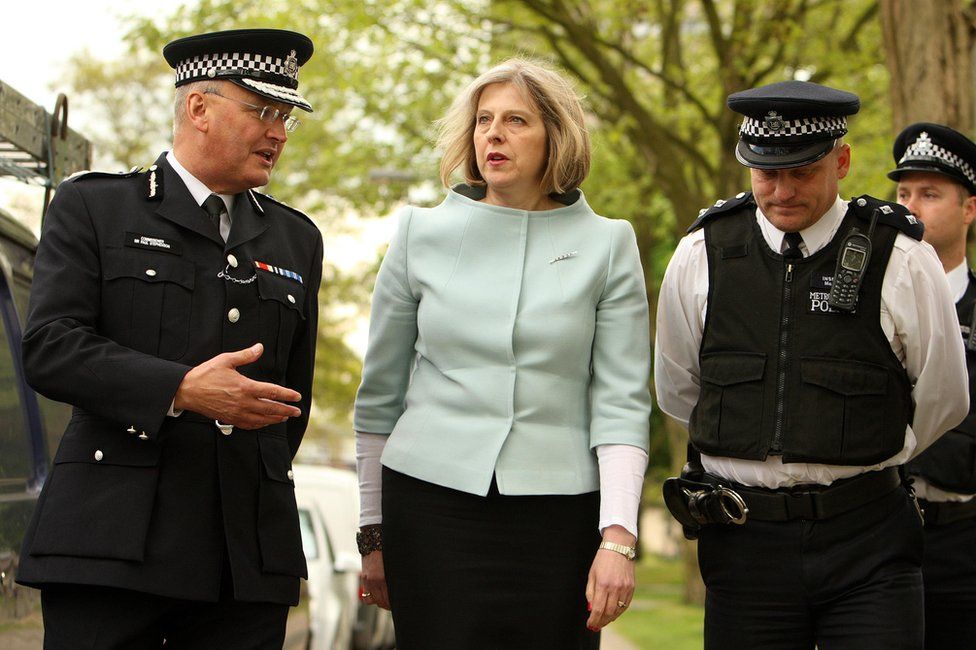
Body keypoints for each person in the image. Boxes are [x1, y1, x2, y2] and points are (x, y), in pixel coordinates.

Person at [15, 28, 323, 649]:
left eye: (287, 116)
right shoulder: (95, 207)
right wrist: (180, 389)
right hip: (111, 548)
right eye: (263, 111)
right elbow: (50, 347)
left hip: (243, 564)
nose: (279, 133)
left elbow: (291, 403)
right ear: (199, 108)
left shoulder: (297, 240)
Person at [655, 80, 968, 649]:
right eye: (765, 173)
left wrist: (861, 450)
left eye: (801, 171)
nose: (781, 190)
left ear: (842, 161)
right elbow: (679, 389)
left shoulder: (901, 257)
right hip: (745, 548)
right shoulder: (703, 253)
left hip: (868, 543)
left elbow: (945, 396)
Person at [353, 58, 652, 649]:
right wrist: (372, 534)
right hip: (429, 508)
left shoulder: (609, 244)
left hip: (559, 517)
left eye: (517, 120)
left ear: (556, 139)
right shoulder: (418, 233)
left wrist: (617, 537)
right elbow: (378, 398)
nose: (494, 133)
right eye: (484, 120)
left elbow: (621, 403)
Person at [888, 122, 976, 649]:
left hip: (964, 539)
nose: (912, 205)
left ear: (969, 208)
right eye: (903, 193)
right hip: (879, 532)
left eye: (930, 193)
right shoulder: (865, 305)